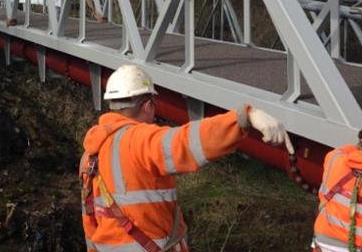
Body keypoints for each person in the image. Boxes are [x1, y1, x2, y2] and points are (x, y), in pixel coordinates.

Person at [80, 64, 293, 252]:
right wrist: (244, 118)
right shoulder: (140, 140)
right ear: (147, 106)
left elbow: (90, 217)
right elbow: (187, 141)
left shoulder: (90, 155)